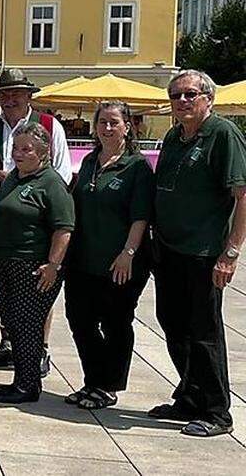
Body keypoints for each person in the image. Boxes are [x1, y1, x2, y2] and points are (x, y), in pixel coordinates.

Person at [150, 70, 245, 437]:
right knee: (173, 324)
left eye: (190, 94)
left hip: (204, 253)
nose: (182, 101)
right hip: (171, 250)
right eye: (176, 95)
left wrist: (231, 252)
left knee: (204, 331)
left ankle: (218, 410)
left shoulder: (222, 134)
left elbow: (242, 195)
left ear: (208, 97)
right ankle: (189, 394)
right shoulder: (174, 136)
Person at [0, 67, 72, 372]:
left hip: (36, 218)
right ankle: (9, 344)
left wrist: (27, 181)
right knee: (2, 290)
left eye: (16, 94)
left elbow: (63, 172)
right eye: (4, 94)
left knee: (35, 297)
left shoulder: (48, 124)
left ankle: (38, 350)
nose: (9, 99)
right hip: (0, 217)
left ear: (28, 96)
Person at [65, 101, 153, 410]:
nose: (106, 127)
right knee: (80, 320)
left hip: (120, 263)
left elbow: (140, 216)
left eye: (114, 122)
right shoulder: (90, 161)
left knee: (116, 323)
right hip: (83, 260)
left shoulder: (136, 166)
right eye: (102, 122)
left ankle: (109, 385)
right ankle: (93, 380)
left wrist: (128, 252)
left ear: (127, 127)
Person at [0, 124, 74, 403]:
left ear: (44, 152)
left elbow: (64, 228)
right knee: (11, 321)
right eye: (16, 148)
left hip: (32, 265)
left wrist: (53, 265)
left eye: (26, 149)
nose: (18, 154)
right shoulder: (14, 178)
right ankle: (20, 378)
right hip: (3, 262)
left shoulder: (51, 182)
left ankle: (28, 384)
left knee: (27, 324)